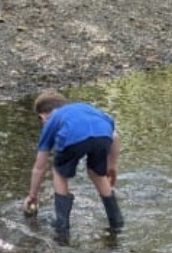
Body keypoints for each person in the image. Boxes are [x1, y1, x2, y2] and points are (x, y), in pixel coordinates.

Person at [24, 90, 123, 237]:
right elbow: (114, 136)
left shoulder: (51, 120)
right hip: (103, 134)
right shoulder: (86, 108)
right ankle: (116, 221)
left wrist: (33, 195)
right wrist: (112, 167)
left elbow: (39, 166)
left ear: (42, 116)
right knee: (97, 174)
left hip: (73, 137)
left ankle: (62, 225)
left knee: (59, 172)